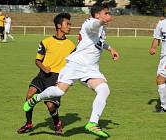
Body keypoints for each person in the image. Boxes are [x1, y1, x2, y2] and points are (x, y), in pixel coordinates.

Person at [23, 3, 120, 138]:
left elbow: (99, 41)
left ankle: (92, 123)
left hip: (91, 69)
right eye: (107, 13)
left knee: (104, 89)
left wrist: (111, 49)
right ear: (97, 15)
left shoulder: (102, 28)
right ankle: (36, 98)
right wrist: (101, 21)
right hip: (76, 65)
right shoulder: (90, 23)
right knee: (59, 91)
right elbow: (94, 25)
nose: (109, 16)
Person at [17, 13, 75, 135]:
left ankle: (57, 123)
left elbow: (74, 64)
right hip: (42, 75)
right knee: (29, 96)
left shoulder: (71, 45)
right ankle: (28, 123)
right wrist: (44, 67)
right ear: (59, 25)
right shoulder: (46, 41)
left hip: (57, 78)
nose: (70, 26)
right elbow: (37, 61)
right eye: (67, 24)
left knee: (50, 106)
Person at [149, 17, 166, 112]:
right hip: (163, 58)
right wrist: (153, 48)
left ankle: (164, 107)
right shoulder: (162, 23)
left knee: (160, 80)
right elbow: (157, 38)